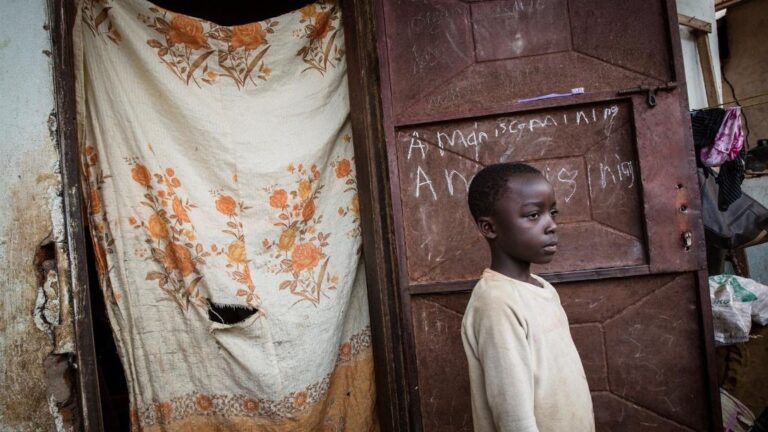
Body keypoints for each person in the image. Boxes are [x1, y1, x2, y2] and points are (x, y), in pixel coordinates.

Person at [461, 163, 595, 432]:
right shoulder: (497, 303)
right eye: (534, 215)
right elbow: (514, 417)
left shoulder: (542, 288)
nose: (552, 226)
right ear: (489, 228)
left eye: (552, 213)